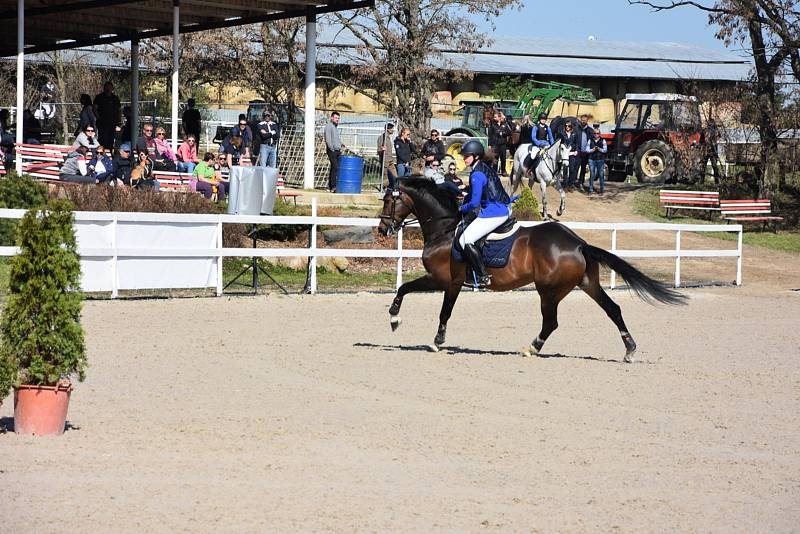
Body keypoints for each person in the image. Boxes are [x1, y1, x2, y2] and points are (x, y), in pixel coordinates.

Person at [457, 139, 512, 288]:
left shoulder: (476, 174)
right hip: (502, 206)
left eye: (467, 155)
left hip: (495, 211)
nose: (464, 158)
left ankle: (482, 276)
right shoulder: (483, 167)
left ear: (475, 156)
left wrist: (461, 208)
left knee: (465, 240)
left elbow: (474, 204)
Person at [93, 81, 121, 150]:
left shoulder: (115, 98)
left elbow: (119, 110)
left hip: (112, 123)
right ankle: (101, 153)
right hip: (102, 123)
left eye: (110, 87)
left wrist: (119, 120)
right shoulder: (99, 97)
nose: (108, 89)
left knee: (110, 140)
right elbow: (94, 108)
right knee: (102, 139)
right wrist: (98, 117)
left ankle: (109, 155)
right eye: (106, 87)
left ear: (112, 88)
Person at [324, 111, 345, 191]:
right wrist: (332, 149)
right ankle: (333, 186)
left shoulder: (335, 127)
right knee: (335, 167)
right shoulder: (329, 126)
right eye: (336, 118)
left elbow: (336, 139)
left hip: (337, 150)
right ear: (332, 117)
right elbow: (328, 139)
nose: (337, 120)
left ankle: (330, 186)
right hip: (332, 151)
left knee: (335, 168)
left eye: (338, 118)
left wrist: (341, 144)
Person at [489, 111, 512, 176]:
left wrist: (503, 133)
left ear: (499, 117)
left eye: (495, 117)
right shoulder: (493, 125)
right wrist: (490, 145)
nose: (494, 118)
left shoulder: (504, 124)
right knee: (495, 158)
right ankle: (494, 171)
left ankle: (503, 171)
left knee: (503, 158)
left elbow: (509, 132)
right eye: (494, 117)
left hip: (503, 144)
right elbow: (490, 135)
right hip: (495, 144)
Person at [558, 121, 580, 189]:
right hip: (565, 154)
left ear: (571, 127)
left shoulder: (575, 134)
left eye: (569, 126)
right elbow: (559, 142)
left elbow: (577, 143)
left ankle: (570, 184)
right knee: (565, 169)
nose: (567, 127)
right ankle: (565, 185)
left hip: (572, 153)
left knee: (572, 169)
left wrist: (576, 150)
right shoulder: (562, 133)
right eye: (566, 126)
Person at [576, 113, 594, 191]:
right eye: (582, 120)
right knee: (575, 168)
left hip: (586, 153)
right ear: (580, 120)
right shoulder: (577, 129)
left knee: (583, 169)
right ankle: (573, 182)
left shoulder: (590, 130)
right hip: (578, 152)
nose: (583, 121)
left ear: (587, 121)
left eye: (585, 120)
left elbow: (592, 142)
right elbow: (574, 140)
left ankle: (581, 183)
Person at [586, 128, 607, 194]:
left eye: (597, 133)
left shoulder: (603, 141)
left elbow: (605, 150)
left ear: (599, 134)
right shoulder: (590, 140)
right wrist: (592, 150)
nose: (596, 134)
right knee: (592, 175)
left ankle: (601, 190)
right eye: (594, 133)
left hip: (600, 159)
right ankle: (591, 189)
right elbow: (587, 150)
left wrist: (599, 149)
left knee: (601, 175)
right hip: (591, 159)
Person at [377, 123, 396, 189]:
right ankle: (382, 187)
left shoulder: (388, 138)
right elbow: (379, 150)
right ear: (388, 129)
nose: (393, 130)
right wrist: (382, 150)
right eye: (392, 129)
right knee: (385, 177)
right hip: (385, 160)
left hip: (390, 160)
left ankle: (390, 188)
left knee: (394, 176)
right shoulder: (382, 138)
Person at [703, 118, 722, 184]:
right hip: (710, 150)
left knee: (712, 166)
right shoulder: (713, 130)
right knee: (711, 166)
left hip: (711, 150)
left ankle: (716, 181)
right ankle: (716, 181)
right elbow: (719, 137)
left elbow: (719, 137)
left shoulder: (713, 130)